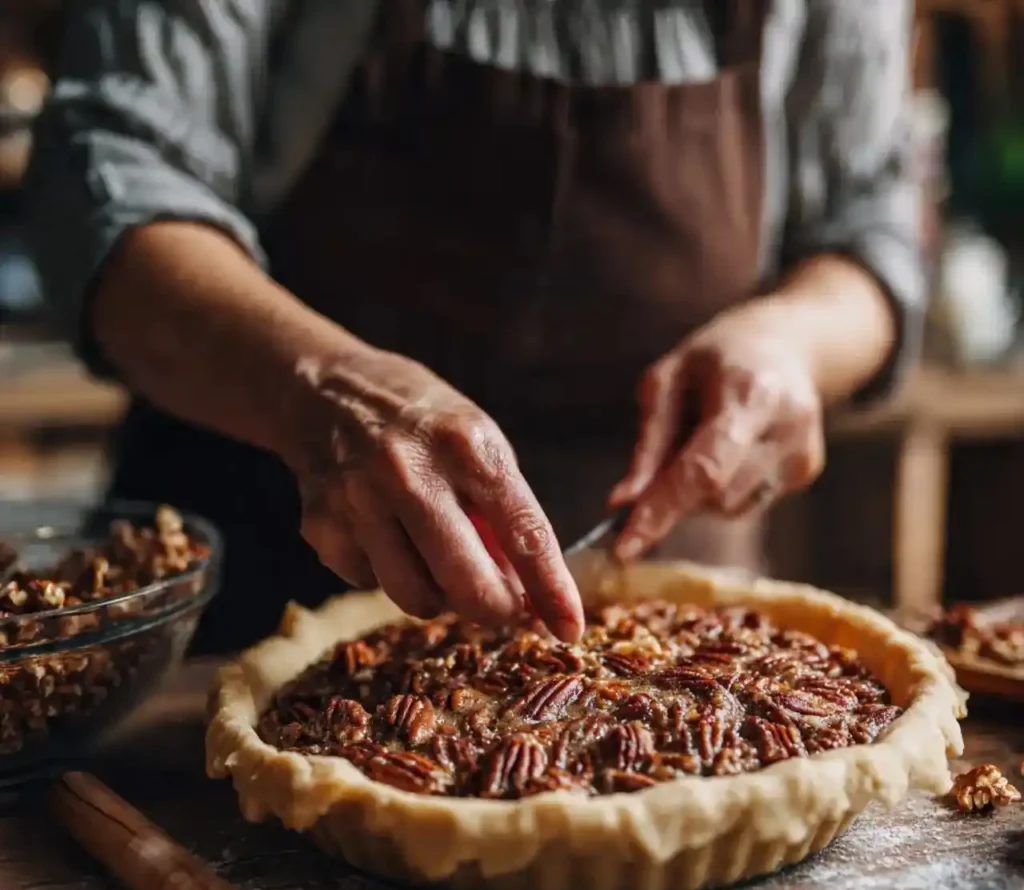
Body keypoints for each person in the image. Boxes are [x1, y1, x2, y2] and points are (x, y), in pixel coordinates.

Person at [28, 0, 923, 655]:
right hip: (252, 608)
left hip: (681, 648)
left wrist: (794, 341)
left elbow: (870, 234)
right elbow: (102, 182)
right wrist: (323, 389)